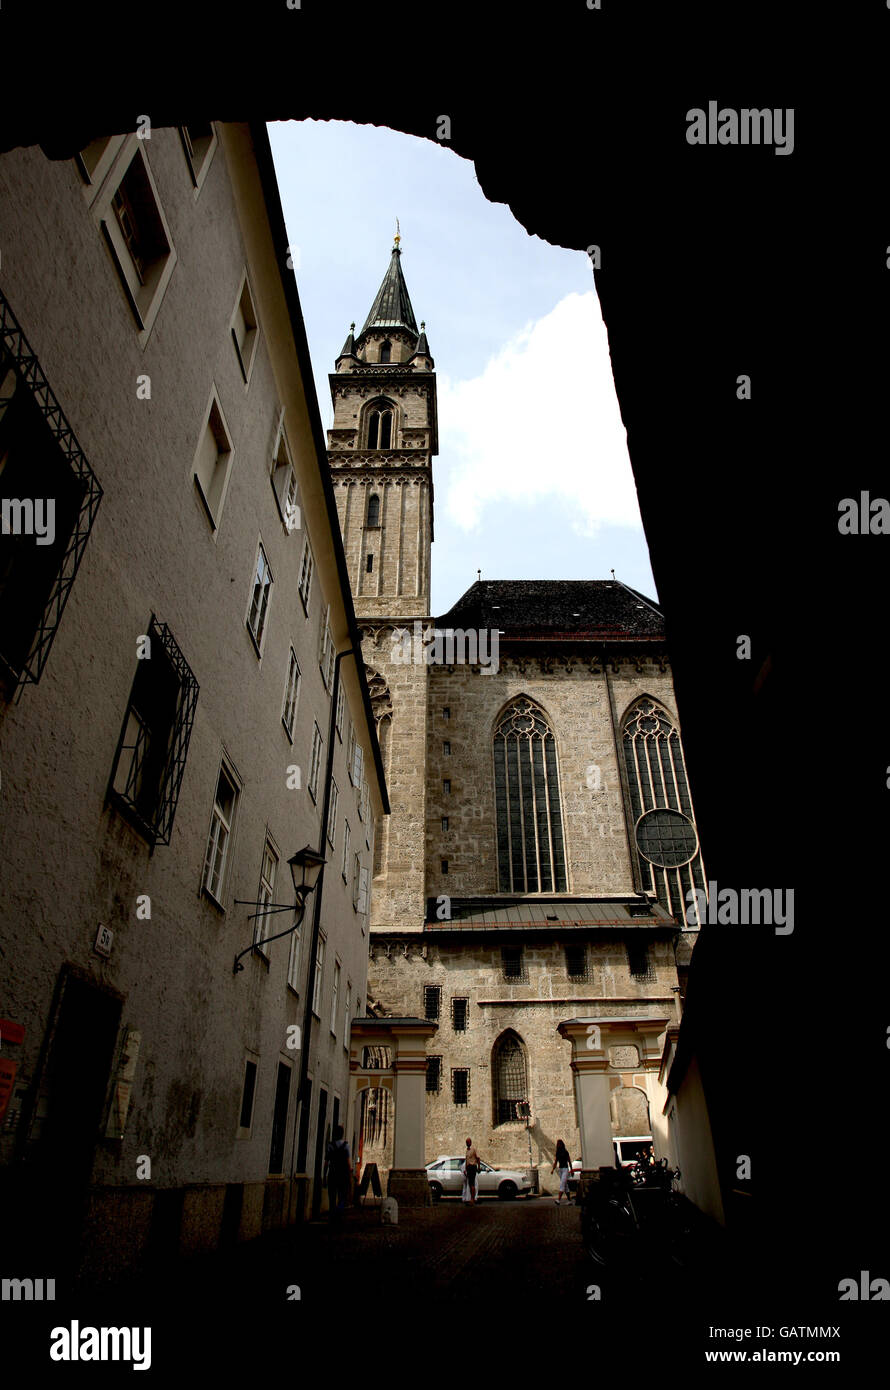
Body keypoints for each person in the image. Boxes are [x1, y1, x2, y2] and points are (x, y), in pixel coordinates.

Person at [324, 1124, 352, 1223]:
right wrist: (349, 1174)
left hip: (333, 1173)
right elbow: (348, 1161)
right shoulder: (346, 1145)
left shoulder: (330, 1145)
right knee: (341, 1196)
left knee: (332, 1196)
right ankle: (339, 1213)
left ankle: (332, 1214)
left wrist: (324, 1175)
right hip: (343, 1174)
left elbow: (326, 1162)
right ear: (342, 1134)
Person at [551, 1139, 572, 1204]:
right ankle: (569, 1200)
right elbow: (555, 1162)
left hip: (565, 1169)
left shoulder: (565, 1152)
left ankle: (558, 1200)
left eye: (559, 1144)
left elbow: (569, 1161)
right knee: (565, 1186)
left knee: (562, 1184)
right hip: (560, 1170)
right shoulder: (558, 1153)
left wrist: (572, 1169)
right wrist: (553, 1169)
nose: (558, 1145)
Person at [464, 1137, 481, 1205]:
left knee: (472, 1184)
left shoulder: (473, 1149)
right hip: (468, 1168)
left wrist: (479, 1167)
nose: (467, 1143)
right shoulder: (467, 1151)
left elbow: (478, 1158)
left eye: (468, 1142)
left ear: (470, 1142)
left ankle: (473, 1199)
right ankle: (471, 1199)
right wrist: (465, 1169)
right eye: (466, 1142)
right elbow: (466, 1160)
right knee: (470, 1184)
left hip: (472, 1167)